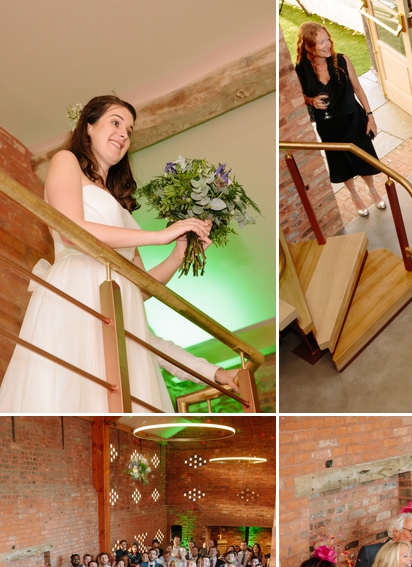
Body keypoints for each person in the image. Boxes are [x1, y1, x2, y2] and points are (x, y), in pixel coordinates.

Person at [0, 95, 237, 413]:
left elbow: (140, 288)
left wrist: (178, 252)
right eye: (115, 122)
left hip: (118, 299)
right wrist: (159, 235)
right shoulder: (65, 162)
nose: (124, 133)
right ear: (88, 127)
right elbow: (72, 231)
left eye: (129, 129)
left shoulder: (122, 208)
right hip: (79, 288)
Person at [294, 23, 384, 217]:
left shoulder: (342, 60)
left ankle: (373, 190)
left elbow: (358, 89)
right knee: (340, 163)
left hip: (354, 119)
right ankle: (354, 195)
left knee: (364, 158)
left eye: (327, 39)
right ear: (309, 46)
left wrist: (370, 117)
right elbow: (299, 94)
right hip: (328, 125)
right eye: (321, 42)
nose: (328, 45)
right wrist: (311, 100)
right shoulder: (301, 68)